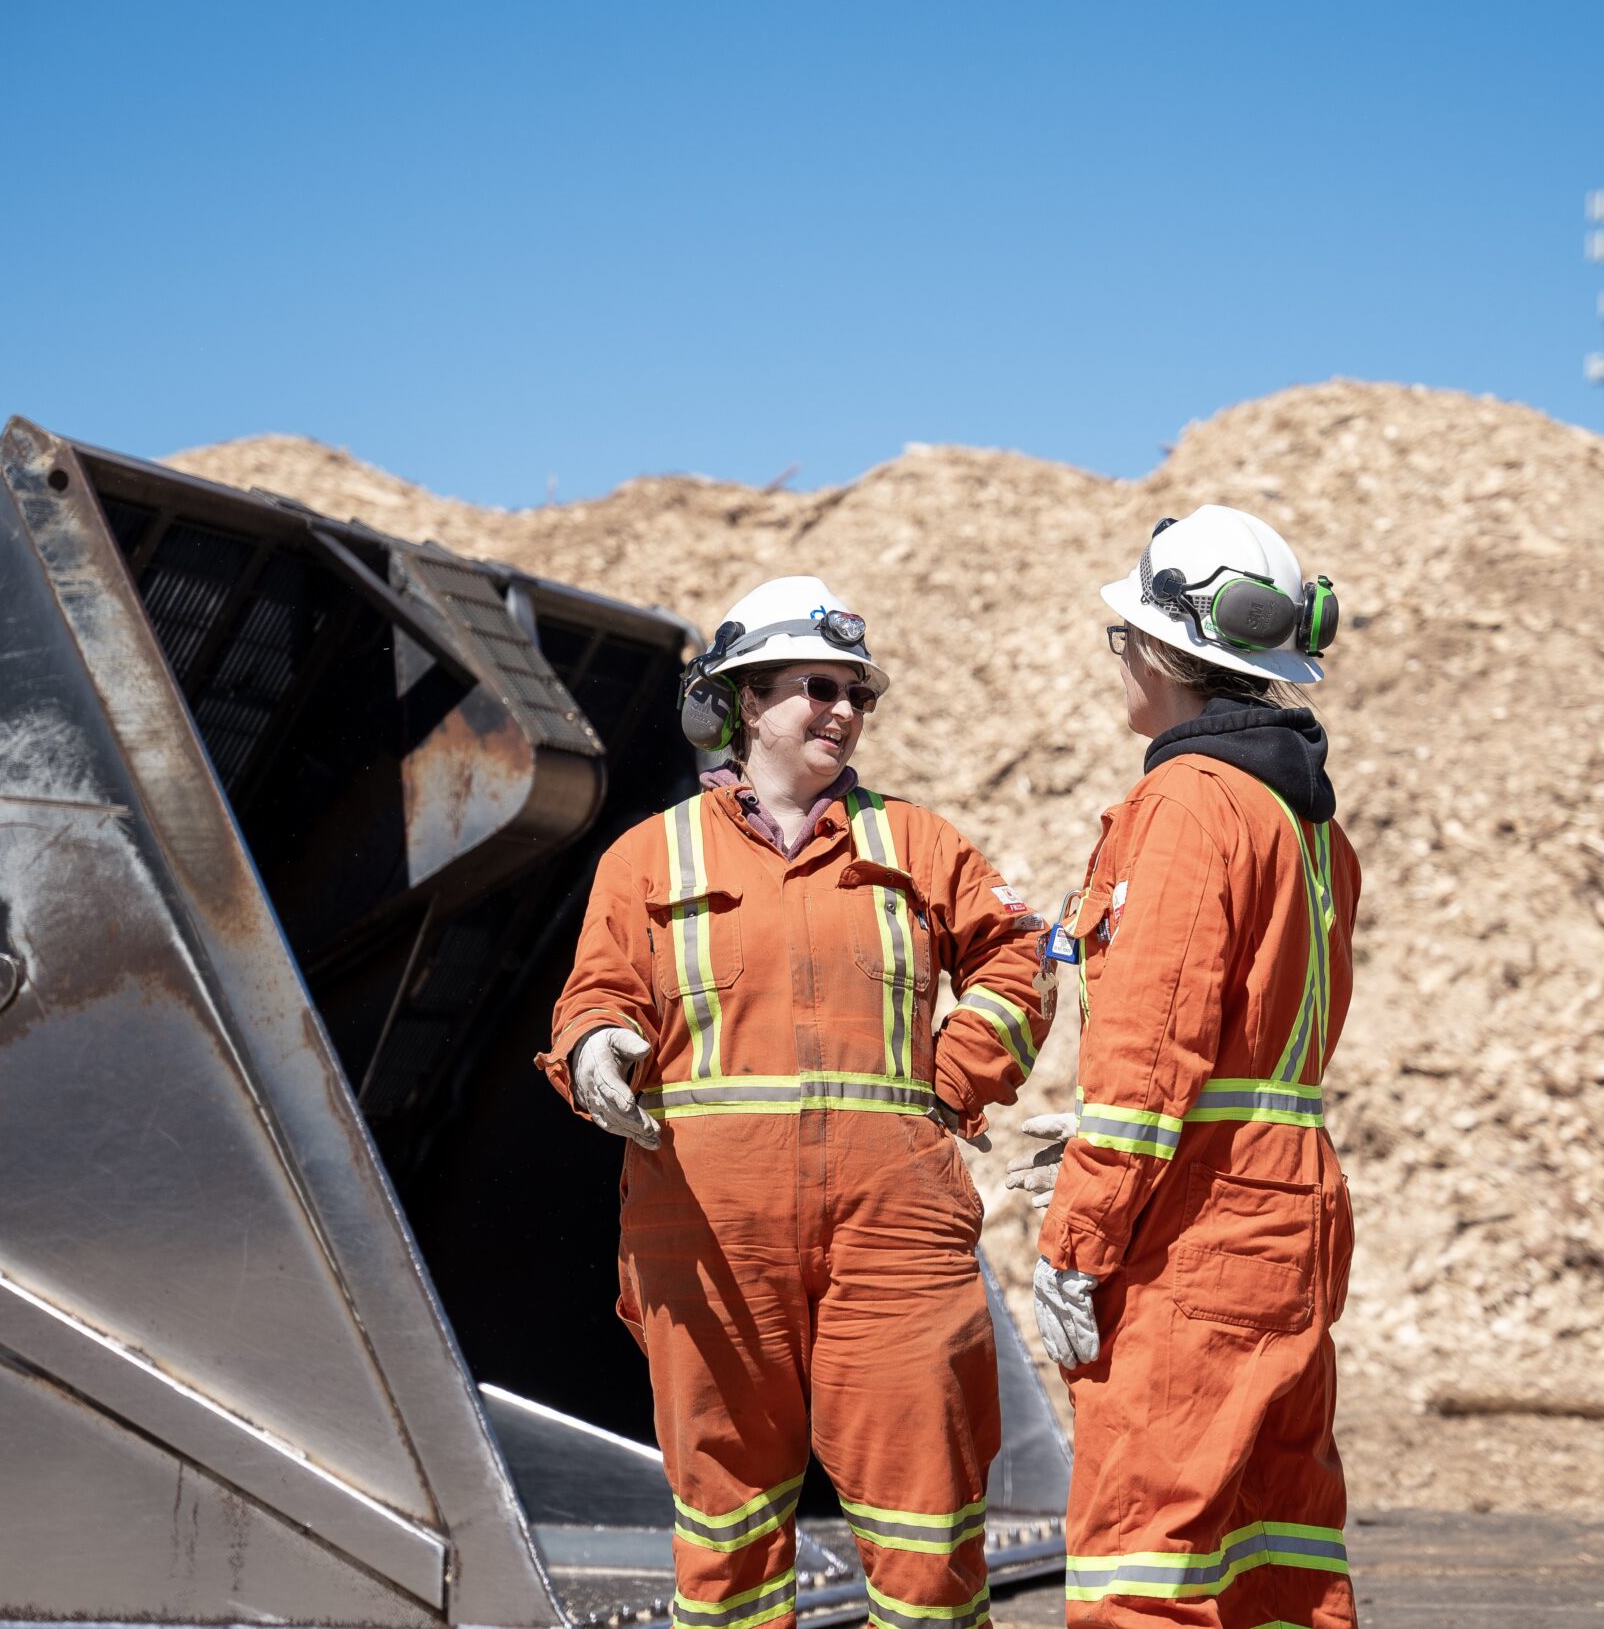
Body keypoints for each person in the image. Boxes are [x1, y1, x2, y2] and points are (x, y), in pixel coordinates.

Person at [536, 575, 1051, 1629]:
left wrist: (953, 1081)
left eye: (857, 692)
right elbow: (595, 992)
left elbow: (1015, 961)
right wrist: (595, 1053)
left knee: (926, 1529)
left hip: (895, 1233)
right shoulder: (651, 855)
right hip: (709, 1238)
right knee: (726, 1537)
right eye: (815, 687)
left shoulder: (919, 845)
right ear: (743, 702)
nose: (844, 711)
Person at [1017, 508, 1361, 1629]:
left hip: (1195, 1233)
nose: (1118, 663)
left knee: (1145, 1564)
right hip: (1290, 1210)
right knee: (1279, 1556)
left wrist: (1075, 1243)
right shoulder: (1306, 821)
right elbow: (1248, 1046)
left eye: (1124, 641)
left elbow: (1148, 1054)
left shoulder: (1185, 804)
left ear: (1164, 653)